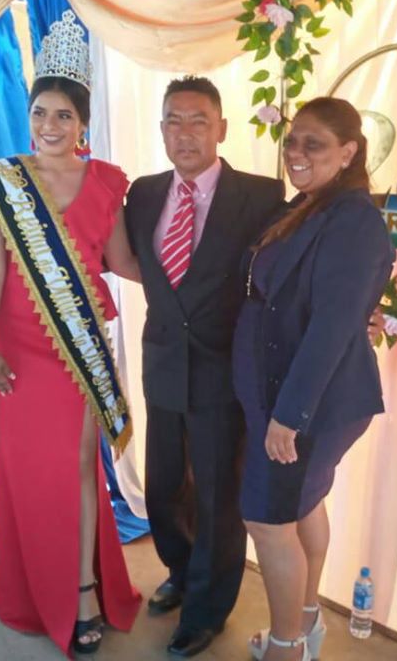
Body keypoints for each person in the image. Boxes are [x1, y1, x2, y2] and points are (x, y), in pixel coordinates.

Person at [0, 10, 141, 658]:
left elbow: (123, 263)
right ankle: (32, 585)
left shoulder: (107, 183)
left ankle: (82, 590)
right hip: (17, 351)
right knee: (30, 471)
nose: (50, 125)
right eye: (40, 112)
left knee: (76, 466)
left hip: (78, 350)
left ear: (83, 123)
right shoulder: (0, 184)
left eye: (64, 115)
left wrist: (195, 273)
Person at [125, 76, 285, 657]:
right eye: (174, 120)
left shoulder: (261, 196)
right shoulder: (143, 193)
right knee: (165, 485)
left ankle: (207, 610)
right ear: (161, 129)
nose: (185, 132)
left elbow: (287, 272)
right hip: (164, 361)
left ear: (222, 128)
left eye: (198, 121)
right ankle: (180, 568)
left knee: (219, 495)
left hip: (225, 368)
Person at [232, 97, 395, 661]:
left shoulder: (354, 219)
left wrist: (289, 415)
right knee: (301, 507)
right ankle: (306, 626)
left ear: (348, 152)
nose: (296, 153)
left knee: (267, 520)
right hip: (285, 394)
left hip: (306, 403)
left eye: (314, 144)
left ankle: (286, 648)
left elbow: (332, 324)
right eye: (293, 141)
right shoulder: (310, 205)